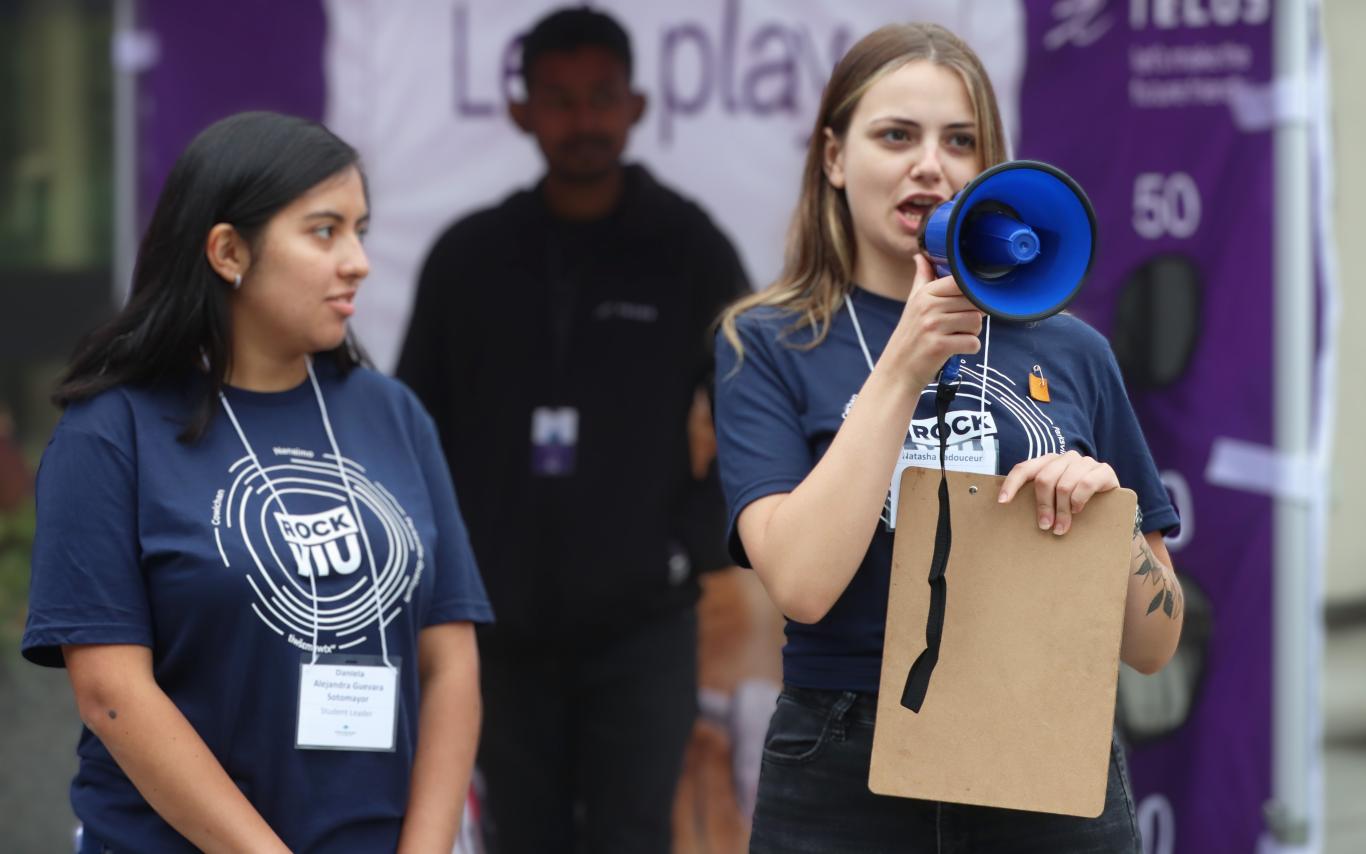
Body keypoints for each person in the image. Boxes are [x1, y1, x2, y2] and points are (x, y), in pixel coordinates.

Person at [713, 23, 1184, 853]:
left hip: (1041, 742)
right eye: (896, 135)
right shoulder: (768, 342)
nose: (929, 164)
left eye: (960, 141)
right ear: (833, 158)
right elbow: (802, 585)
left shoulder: (1074, 350)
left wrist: (1109, 526)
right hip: (842, 760)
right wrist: (901, 369)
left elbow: (1155, 643)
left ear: (987, 169)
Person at [21, 111, 493, 853]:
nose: (358, 261)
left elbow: (450, 659)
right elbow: (111, 692)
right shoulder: (112, 432)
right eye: (324, 231)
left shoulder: (391, 412)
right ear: (228, 250)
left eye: (360, 231)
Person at [396, 7, 749, 852]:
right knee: (521, 838)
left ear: (635, 105)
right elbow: (412, 425)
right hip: (499, 626)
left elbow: (752, 404)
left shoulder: (687, 246)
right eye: (559, 99)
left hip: (644, 624)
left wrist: (693, 539)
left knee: (634, 836)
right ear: (521, 110)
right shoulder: (470, 257)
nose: (582, 121)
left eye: (600, 97)